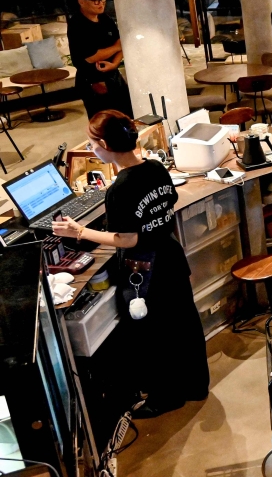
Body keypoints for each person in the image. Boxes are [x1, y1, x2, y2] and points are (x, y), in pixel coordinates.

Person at [53, 110, 208, 417]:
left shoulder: (120, 189)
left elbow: (127, 239)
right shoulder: (155, 169)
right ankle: (195, 385)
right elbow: (166, 206)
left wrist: (79, 231)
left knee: (153, 335)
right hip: (171, 256)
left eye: (92, 141)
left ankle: (165, 397)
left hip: (145, 269)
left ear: (106, 145)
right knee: (183, 324)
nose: (90, 146)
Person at [68, 0, 132, 118]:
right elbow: (91, 56)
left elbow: (120, 43)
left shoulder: (106, 19)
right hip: (91, 79)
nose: (101, 3)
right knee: (104, 121)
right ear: (82, 2)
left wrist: (114, 63)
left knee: (127, 115)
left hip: (113, 74)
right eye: (95, 0)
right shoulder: (77, 24)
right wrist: (116, 47)